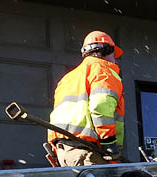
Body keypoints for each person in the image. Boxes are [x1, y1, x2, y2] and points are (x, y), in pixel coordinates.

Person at [47, 30, 125, 166]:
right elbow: (100, 107)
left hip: (64, 152)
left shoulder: (68, 78)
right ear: (108, 51)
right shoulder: (103, 72)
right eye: (114, 55)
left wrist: (55, 149)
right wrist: (109, 144)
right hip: (87, 152)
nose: (115, 59)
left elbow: (57, 115)